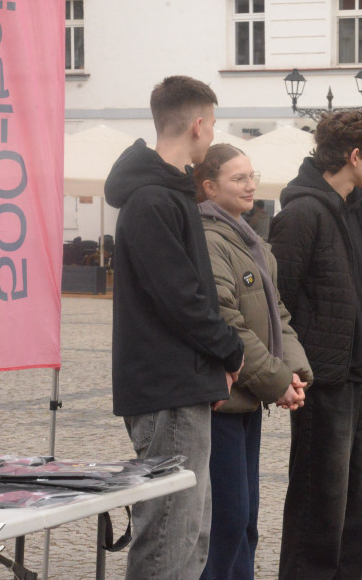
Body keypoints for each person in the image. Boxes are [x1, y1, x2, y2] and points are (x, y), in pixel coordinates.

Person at [104, 76, 245, 580]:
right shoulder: (152, 200)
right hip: (166, 388)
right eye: (213, 124)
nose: (213, 134)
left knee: (190, 534)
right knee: (168, 535)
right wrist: (230, 351)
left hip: (183, 383)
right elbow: (181, 298)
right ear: (198, 124)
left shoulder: (170, 193)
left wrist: (214, 366)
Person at [269, 109, 362, 579]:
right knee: (319, 506)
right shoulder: (301, 214)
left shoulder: (358, 211)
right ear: (354, 156)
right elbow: (277, 302)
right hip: (324, 383)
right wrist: (293, 369)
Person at [194, 144, 313, 580]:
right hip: (222, 400)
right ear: (210, 187)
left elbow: (278, 313)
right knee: (226, 521)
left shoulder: (250, 240)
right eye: (238, 178)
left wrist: (294, 372)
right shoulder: (209, 240)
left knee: (245, 520)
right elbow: (230, 323)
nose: (250, 185)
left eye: (251, 176)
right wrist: (277, 381)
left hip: (249, 399)